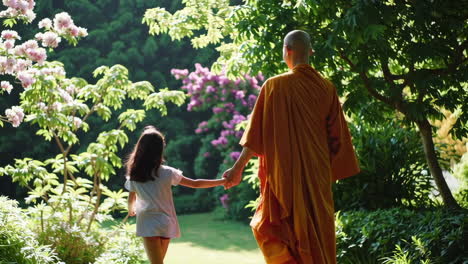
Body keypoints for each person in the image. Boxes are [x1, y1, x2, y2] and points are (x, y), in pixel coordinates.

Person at [223, 30, 360, 264]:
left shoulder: (274, 86)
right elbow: (338, 141)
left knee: (279, 231)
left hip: (285, 177)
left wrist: (236, 169)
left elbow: (256, 136)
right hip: (317, 177)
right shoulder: (327, 88)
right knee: (318, 234)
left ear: (287, 50)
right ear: (310, 52)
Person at [125, 126, 226, 264]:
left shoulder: (134, 175)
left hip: (147, 222)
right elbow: (195, 183)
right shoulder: (168, 173)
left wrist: (131, 209)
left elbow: (132, 197)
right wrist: (222, 181)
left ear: (140, 148)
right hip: (166, 222)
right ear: (160, 149)